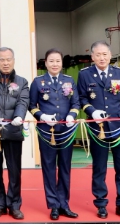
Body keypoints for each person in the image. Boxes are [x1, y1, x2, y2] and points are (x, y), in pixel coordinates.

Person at [78, 41, 120, 220]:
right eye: (98, 54)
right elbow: (82, 98)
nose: (102, 58)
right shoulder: (85, 74)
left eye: (105, 54)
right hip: (97, 128)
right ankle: (101, 204)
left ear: (110, 55)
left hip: (119, 127)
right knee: (99, 167)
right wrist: (92, 111)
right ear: (92, 57)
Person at [29, 48, 79, 221]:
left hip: (66, 131)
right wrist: (42, 116)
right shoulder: (38, 82)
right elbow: (31, 105)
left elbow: (76, 103)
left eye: (58, 61)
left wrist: (72, 115)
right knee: (49, 167)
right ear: (46, 63)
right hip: (46, 131)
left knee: (65, 166)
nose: (55, 64)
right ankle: (53, 205)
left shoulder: (69, 80)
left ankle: (64, 203)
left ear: (61, 63)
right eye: (51, 61)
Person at [0, 47, 30, 220]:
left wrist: (19, 116)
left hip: (13, 131)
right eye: (2, 59)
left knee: (14, 170)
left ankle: (14, 205)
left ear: (13, 60)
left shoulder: (22, 82)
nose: (6, 63)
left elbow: (23, 102)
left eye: (8, 59)